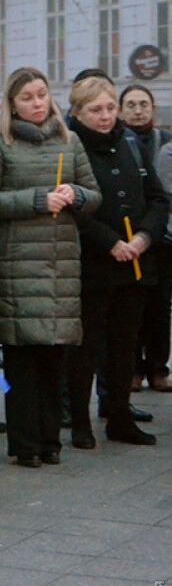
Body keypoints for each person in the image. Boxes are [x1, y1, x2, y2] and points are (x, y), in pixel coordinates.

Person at [0, 67, 100, 467]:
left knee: (53, 357)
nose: (36, 103)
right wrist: (36, 200)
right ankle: (26, 444)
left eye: (41, 95)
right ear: (12, 103)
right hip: (15, 263)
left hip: (58, 262)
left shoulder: (70, 141)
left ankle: (51, 441)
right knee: (22, 358)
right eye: (27, 97)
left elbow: (94, 196)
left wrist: (75, 194)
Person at [65, 76, 166, 447]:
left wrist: (143, 236)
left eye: (110, 108)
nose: (105, 117)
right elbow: (74, 206)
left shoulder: (129, 145)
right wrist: (110, 242)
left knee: (126, 345)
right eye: (96, 110)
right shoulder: (71, 145)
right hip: (94, 263)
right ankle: (79, 421)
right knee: (86, 346)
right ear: (78, 112)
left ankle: (119, 414)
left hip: (135, 263)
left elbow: (157, 197)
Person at [122, 85, 172, 393]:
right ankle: (133, 368)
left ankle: (158, 366)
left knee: (160, 305)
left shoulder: (165, 143)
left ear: (153, 108)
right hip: (129, 235)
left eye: (143, 104)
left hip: (163, 237)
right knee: (131, 305)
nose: (138, 110)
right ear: (121, 109)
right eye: (131, 104)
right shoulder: (117, 142)